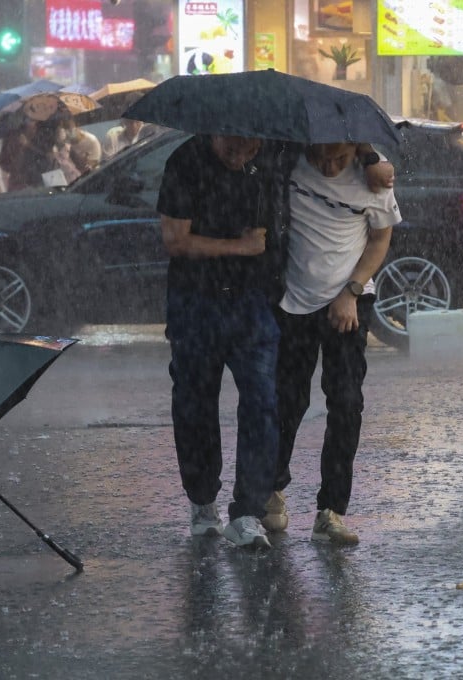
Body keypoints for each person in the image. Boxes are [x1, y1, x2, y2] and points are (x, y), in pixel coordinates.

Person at [264, 142, 401, 546]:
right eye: (320, 157)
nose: (328, 166)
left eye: (339, 159)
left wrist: (351, 291)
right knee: (288, 399)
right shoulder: (286, 162)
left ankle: (332, 511)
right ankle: (272, 489)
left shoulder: (373, 179)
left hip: (350, 301)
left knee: (345, 402)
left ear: (355, 148)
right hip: (293, 302)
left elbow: (380, 240)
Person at [156, 134, 287, 550]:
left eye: (251, 147)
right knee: (195, 402)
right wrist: (240, 247)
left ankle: (248, 511)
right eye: (233, 145)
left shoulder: (268, 160)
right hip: (195, 301)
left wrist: (374, 160)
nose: (241, 154)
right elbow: (175, 239)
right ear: (215, 130)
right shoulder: (185, 161)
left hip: (251, 301)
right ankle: (202, 499)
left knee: (264, 401)